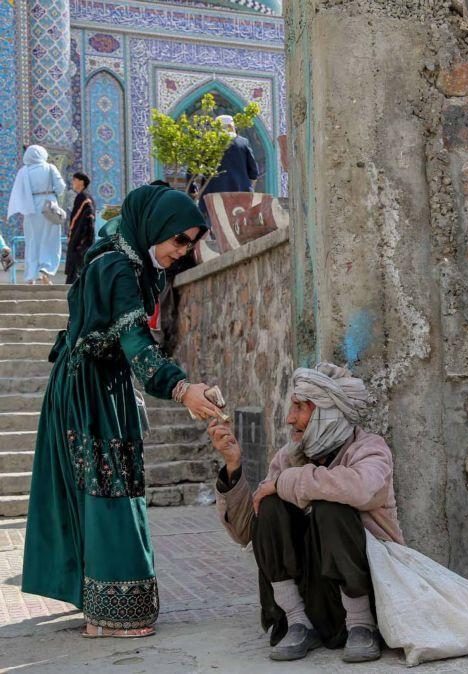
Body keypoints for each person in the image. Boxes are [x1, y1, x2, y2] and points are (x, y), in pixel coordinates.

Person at [21, 184, 224, 638]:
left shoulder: (134, 261)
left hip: (102, 385)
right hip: (86, 391)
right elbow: (135, 344)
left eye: (191, 242)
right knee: (107, 489)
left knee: (112, 484)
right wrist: (181, 389)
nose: (184, 251)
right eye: (179, 240)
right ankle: (111, 615)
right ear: (155, 229)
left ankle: (103, 608)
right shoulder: (116, 266)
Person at [209, 363, 400, 663]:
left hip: (363, 594)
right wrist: (233, 467)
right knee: (270, 506)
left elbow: (361, 488)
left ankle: (362, 625)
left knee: (331, 505)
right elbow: (249, 531)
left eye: (300, 407)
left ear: (328, 412)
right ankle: (298, 621)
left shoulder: (369, 449)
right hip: (310, 598)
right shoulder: (289, 457)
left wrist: (287, 481)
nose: (290, 418)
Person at [6, 145, 66, 285]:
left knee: (32, 241)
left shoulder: (24, 171)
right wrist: (53, 192)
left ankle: (30, 276)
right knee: (50, 239)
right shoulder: (50, 168)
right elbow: (61, 187)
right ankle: (45, 270)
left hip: (31, 208)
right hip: (49, 206)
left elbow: (18, 192)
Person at [194, 114, 259, 217]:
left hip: (213, 196)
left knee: (216, 227)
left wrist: (193, 190)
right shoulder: (243, 143)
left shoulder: (209, 144)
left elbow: (195, 168)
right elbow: (254, 173)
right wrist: (249, 190)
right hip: (240, 195)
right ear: (231, 126)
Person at [64, 172, 95, 285]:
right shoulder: (84, 197)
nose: (73, 182)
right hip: (80, 240)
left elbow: (86, 220)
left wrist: (81, 239)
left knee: (77, 268)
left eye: (74, 180)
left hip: (81, 241)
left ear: (81, 182)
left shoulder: (84, 198)